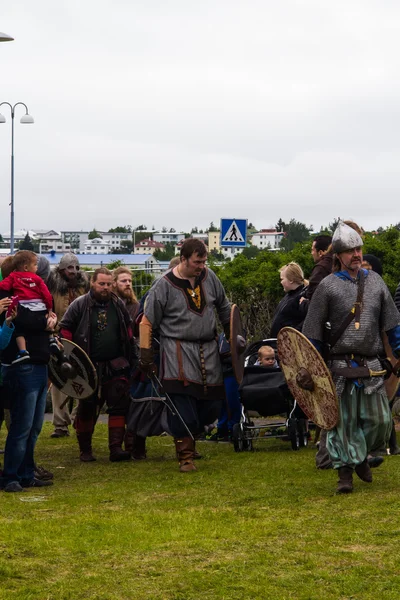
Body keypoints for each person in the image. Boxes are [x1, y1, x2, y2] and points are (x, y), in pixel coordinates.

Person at [303, 221, 400, 494]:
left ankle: (359, 457)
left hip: (369, 363)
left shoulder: (377, 283)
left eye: (358, 249)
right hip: (340, 365)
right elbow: (313, 331)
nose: (356, 255)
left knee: (380, 422)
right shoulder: (328, 287)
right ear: (339, 256)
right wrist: (310, 365)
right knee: (342, 424)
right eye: (349, 251)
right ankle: (345, 475)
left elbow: (392, 322)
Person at [139, 238, 231, 472]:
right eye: (197, 261)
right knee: (182, 405)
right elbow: (147, 321)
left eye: (204, 261)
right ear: (183, 259)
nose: (201, 266)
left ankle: (192, 436)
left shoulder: (210, 278)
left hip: (208, 350)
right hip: (176, 351)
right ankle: (185, 456)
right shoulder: (163, 285)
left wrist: (232, 335)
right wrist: (146, 356)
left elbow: (224, 307)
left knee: (212, 404)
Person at [60, 267, 137, 462]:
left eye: (109, 284)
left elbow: (128, 331)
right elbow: (65, 329)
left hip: (116, 363)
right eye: (101, 284)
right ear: (92, 283)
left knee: (119, 405)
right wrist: (70, 357)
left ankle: (115, 449)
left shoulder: (118, 304)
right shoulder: (79, 304)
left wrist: (132, 357)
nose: (106, 287)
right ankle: (85, 450)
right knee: (87, 406)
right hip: (87, 365)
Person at [0, 301, 57, 492]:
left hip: (40, 364)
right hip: (25, 367)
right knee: (22, 426)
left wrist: (49, 324)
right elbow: (23, 325)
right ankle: (10, 477)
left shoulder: (38, 304)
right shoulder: (18, 303)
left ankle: (25, 474)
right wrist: (45, 321)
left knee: (34, 427)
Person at [46, 253, 90, 438]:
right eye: (69, 268)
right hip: (58, 337)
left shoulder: (85, 286)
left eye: (76, 268)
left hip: (83, 338)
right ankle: (60, 424)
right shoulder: (52, 285)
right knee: (59, 380)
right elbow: (48, 309)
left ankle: (78, 418)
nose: (73, 271)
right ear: (62, 269)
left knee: (85, 379)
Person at [0, 251, 56, 363]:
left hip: (35, 358)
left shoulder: (8, 291)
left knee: (18, 329)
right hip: (28, 361)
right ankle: (50, 340)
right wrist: (47, 320)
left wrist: (51, 319)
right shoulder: (7, 298)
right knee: (17, 327)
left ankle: (25, 350)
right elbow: (24, 317)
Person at [270, 262, 307, 338]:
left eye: (282, 279)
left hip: (288, 344)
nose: (281, 282)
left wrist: (291, 336)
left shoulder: (301, 298)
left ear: (291, 280)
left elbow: (306, 321)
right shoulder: (290, 295)